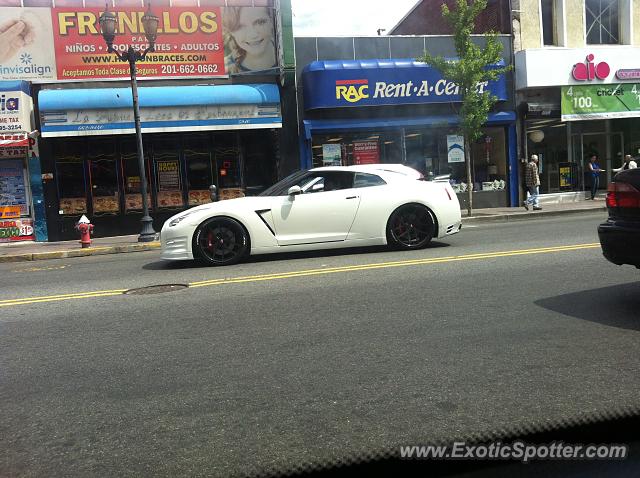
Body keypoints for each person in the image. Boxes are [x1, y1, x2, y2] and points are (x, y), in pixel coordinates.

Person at [223, 7, 277, 74]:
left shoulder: (291, 58)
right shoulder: (223, 70)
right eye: (240, 27)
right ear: (231, 32)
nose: (253, 35)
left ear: (271, 21)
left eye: (260, 22)